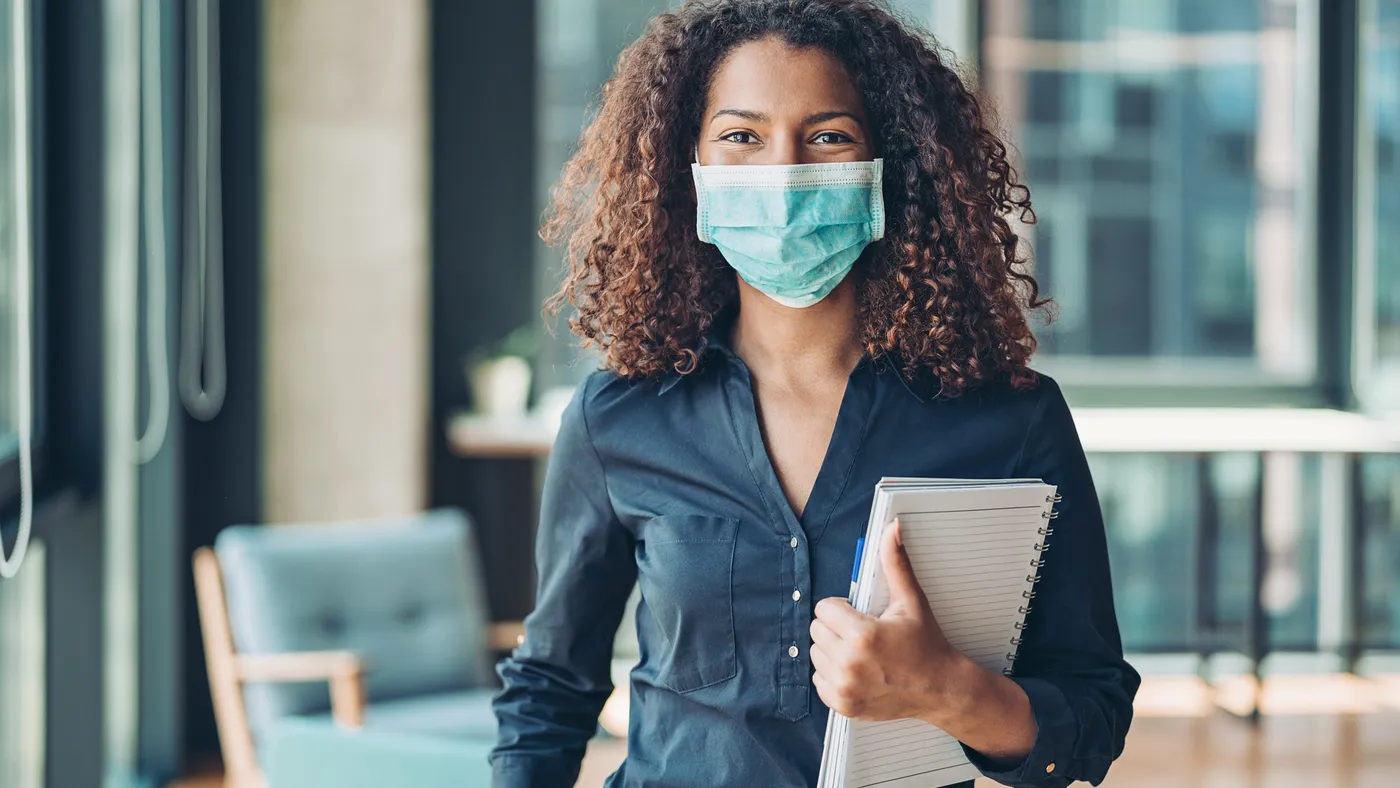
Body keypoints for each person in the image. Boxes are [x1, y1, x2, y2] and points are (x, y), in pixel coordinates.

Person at [491, 1, 1139, 786]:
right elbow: (550, 691)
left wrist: (948, 690)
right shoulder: (617, 419)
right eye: (741, 137)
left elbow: (1092, 714)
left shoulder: (1012, 419)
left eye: (829, 135)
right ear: (684, 167)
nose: (784, 172)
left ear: (890, 163)